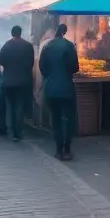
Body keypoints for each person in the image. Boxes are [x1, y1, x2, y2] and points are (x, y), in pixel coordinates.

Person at [39, 23, 79, 160]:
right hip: (67, 88)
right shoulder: (69, 46)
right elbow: (75, 68)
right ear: (65, 32)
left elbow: (42, 68)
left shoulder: (47, 46)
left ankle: (58, 149)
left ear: (55, 31)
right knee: (68, 119)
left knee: (56, 119)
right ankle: (67, 149)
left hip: (51, 88)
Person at [0, 25, 35, 142]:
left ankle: (12, 130)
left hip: (8, 81)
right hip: (23, 81)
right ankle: (18, 132)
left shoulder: (6, 45)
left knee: (10, 106)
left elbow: (2, 62)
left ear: (12, 33)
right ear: (21, 33)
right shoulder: (28, 46)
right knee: (19, 106)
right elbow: (31, 63)